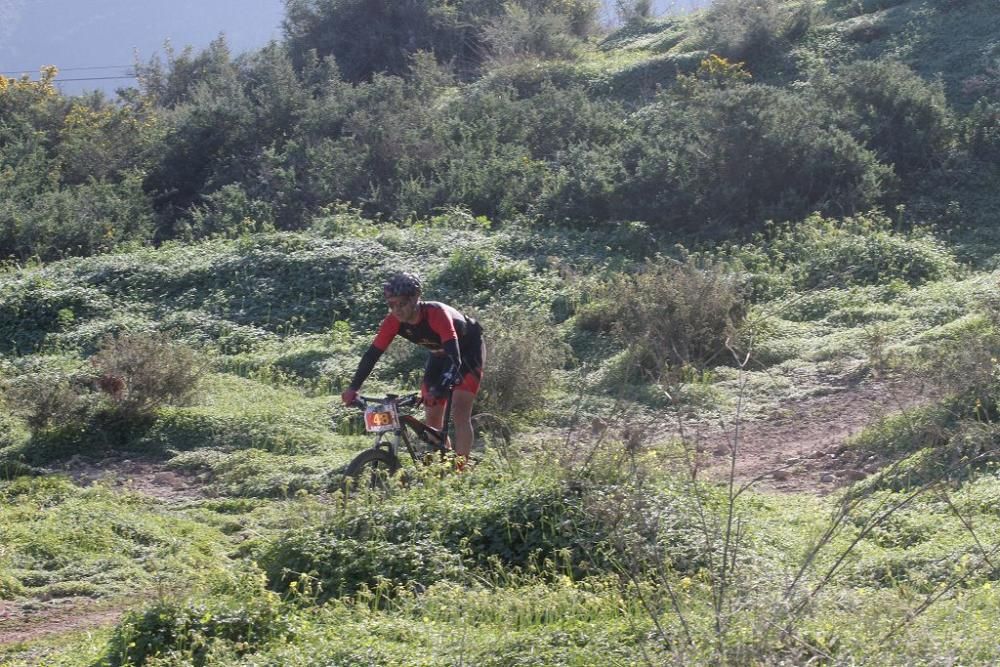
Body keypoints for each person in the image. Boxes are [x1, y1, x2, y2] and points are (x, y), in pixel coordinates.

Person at [341, 272, 485, 465]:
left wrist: (440, 389)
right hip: (439, 354)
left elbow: (455, 359)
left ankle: (461, 470)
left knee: (460, 411)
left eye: (401, 303)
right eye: (391, 304)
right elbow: (372, 355)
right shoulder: (393, 321)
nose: (396, 310)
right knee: (432, 417)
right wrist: (353, 388)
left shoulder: (436, 314)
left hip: (467, 351)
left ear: (416, 298)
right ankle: (444, 463)